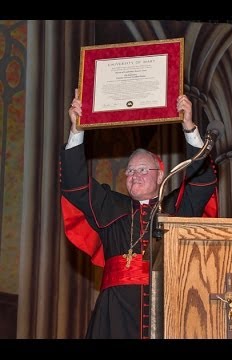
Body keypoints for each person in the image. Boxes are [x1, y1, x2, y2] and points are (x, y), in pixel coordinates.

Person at [60, 89, 218, 339]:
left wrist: (189, 129)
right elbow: (75, 185)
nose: (135, 175)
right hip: (114, 313)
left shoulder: (175, 207)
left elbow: (203, 183)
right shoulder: (109, 205)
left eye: (143, 169)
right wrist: (77, 130)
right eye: (130, 171)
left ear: (160, 173)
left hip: (167, 304)